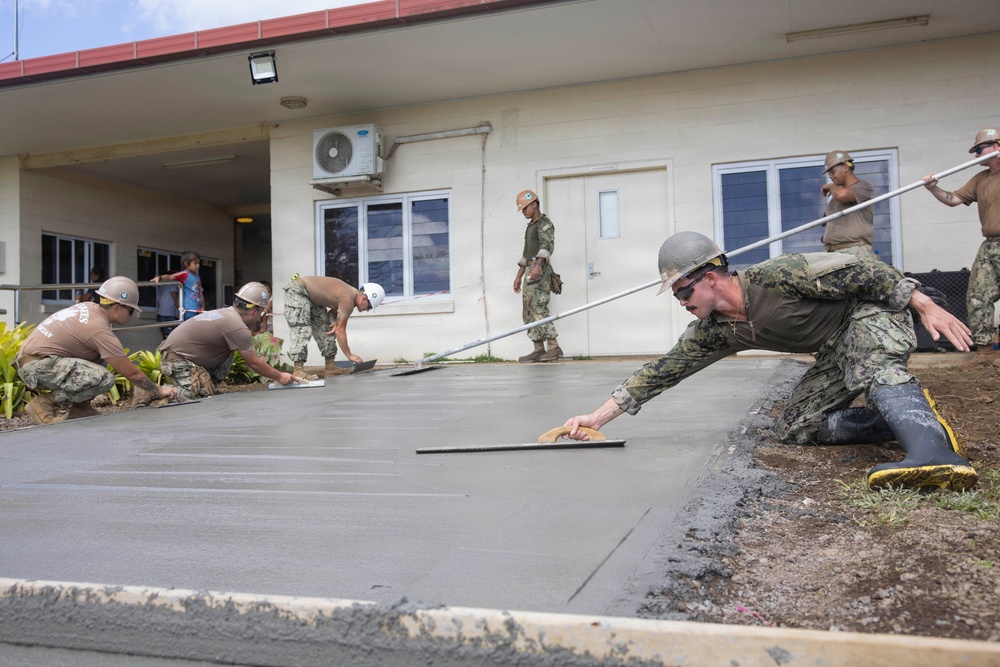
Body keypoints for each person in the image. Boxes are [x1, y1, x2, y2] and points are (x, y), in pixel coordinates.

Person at [563, 231, 978, 492]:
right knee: (796, 427)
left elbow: (864, 272)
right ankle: (910, 419)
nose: (680, 302)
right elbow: (660, 372)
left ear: (709, 277)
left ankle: (935, 456)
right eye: (675, 296)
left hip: (869, 315)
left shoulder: (778, 275)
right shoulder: (715, 330)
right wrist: (597, 418)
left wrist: (924, 305)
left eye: (682, 292)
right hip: (835, 350)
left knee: (871, 366)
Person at [14, 276, 179, 424]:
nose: (131, 315)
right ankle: (43, 403)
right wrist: (158, 391)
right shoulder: (98, 328)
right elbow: (131, 373)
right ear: (117, 308)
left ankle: (80, 408)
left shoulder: (89, 308)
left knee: (100, 356)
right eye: (131, 310)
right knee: (105, 379)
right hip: (36, 366)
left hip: (36, 361)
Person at [922, 127, 1000, 365]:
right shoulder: (980, 179)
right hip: (990, 244)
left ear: (996, 146)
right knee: (977, 296)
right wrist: (933, 187)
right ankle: (986, 351)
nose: (976, 156)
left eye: (979, 149)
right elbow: (953, 200)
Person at [158, 282, 300, 401]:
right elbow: (254, 362)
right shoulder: (237, 328)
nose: (259, 318)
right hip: (175, 359)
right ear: (253, 312)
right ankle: (157, 393)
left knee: (231, 350)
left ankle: (211, 384)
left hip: (183, 356)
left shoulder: (228, 314)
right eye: (261, 313)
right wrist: (280, 376)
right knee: (192, 396)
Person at [282, 275, 384, 378]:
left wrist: (335, 321)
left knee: (327, 328)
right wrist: (350, 355)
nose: (368, 310)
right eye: (370, 307)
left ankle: (330, 367)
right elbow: (340, 331)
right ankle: (298, 371)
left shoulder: (351, 298)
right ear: (364, 298)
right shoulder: (348, 299)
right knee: (302, 329)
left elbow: (333, 313)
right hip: (299, 290)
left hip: (312, 298)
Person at [513, 189, 562, 363]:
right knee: (528, 309)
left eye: (525, 208)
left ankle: (554, 347)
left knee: (539, 307)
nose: (524, 212)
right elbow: (526, 254)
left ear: (534, 204)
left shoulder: (544, 224)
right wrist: (519, 276)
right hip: (530, 269)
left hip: (539, 270)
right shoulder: (530, 227)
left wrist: (538, 266)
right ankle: (538, 348)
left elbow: (547, 246)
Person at [819, 151, 876, 259]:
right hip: (831, 252)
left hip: (854, 251)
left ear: (845, 167)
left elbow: (842, 195)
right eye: (829, 173)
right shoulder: (835, 197)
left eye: (833, 171)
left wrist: (831, 186)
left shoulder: (863, 187)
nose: (830, 176)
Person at [150, 251, 204, 321]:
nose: (198, 265)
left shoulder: (197, 277)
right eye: (195, 263)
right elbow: (170, 277)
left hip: (197, 310)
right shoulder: (184, 274)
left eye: (199, 263)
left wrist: (202, 307)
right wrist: (160, 278)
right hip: (188, 310)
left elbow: (200, 293)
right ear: (186, 264)